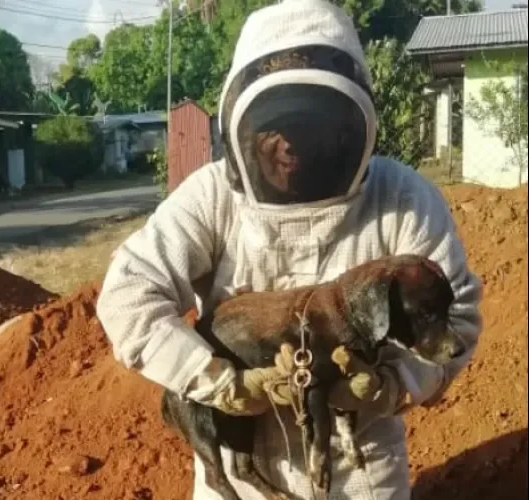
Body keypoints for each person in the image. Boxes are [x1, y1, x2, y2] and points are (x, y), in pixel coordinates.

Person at [95, 0, 483, 498]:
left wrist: (391, 384)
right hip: (238, 476)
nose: (290, 147)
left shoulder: (400, 197)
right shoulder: (212, 196)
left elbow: (459, 316)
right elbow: (128, 294)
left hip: (358, 471)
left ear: (349, 129)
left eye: (309, 128)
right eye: (276, 129)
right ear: (244, 129)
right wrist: (216, 381)